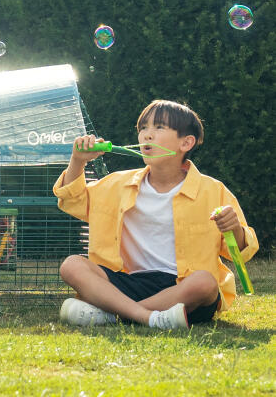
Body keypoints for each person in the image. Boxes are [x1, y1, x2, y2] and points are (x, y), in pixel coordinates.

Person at [54, 100, 256, 329]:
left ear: (186, 142)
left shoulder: (213, 190)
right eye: (143, 128)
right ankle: (147, 317)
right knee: (71, 265)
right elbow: (72, 200)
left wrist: (234, 229)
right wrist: (77, 161)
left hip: (182, 288)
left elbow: (242, 252)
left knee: (206, 282)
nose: (147, 135)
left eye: (159, 127)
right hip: (129, 282)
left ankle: (115, 314)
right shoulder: (117, 184)